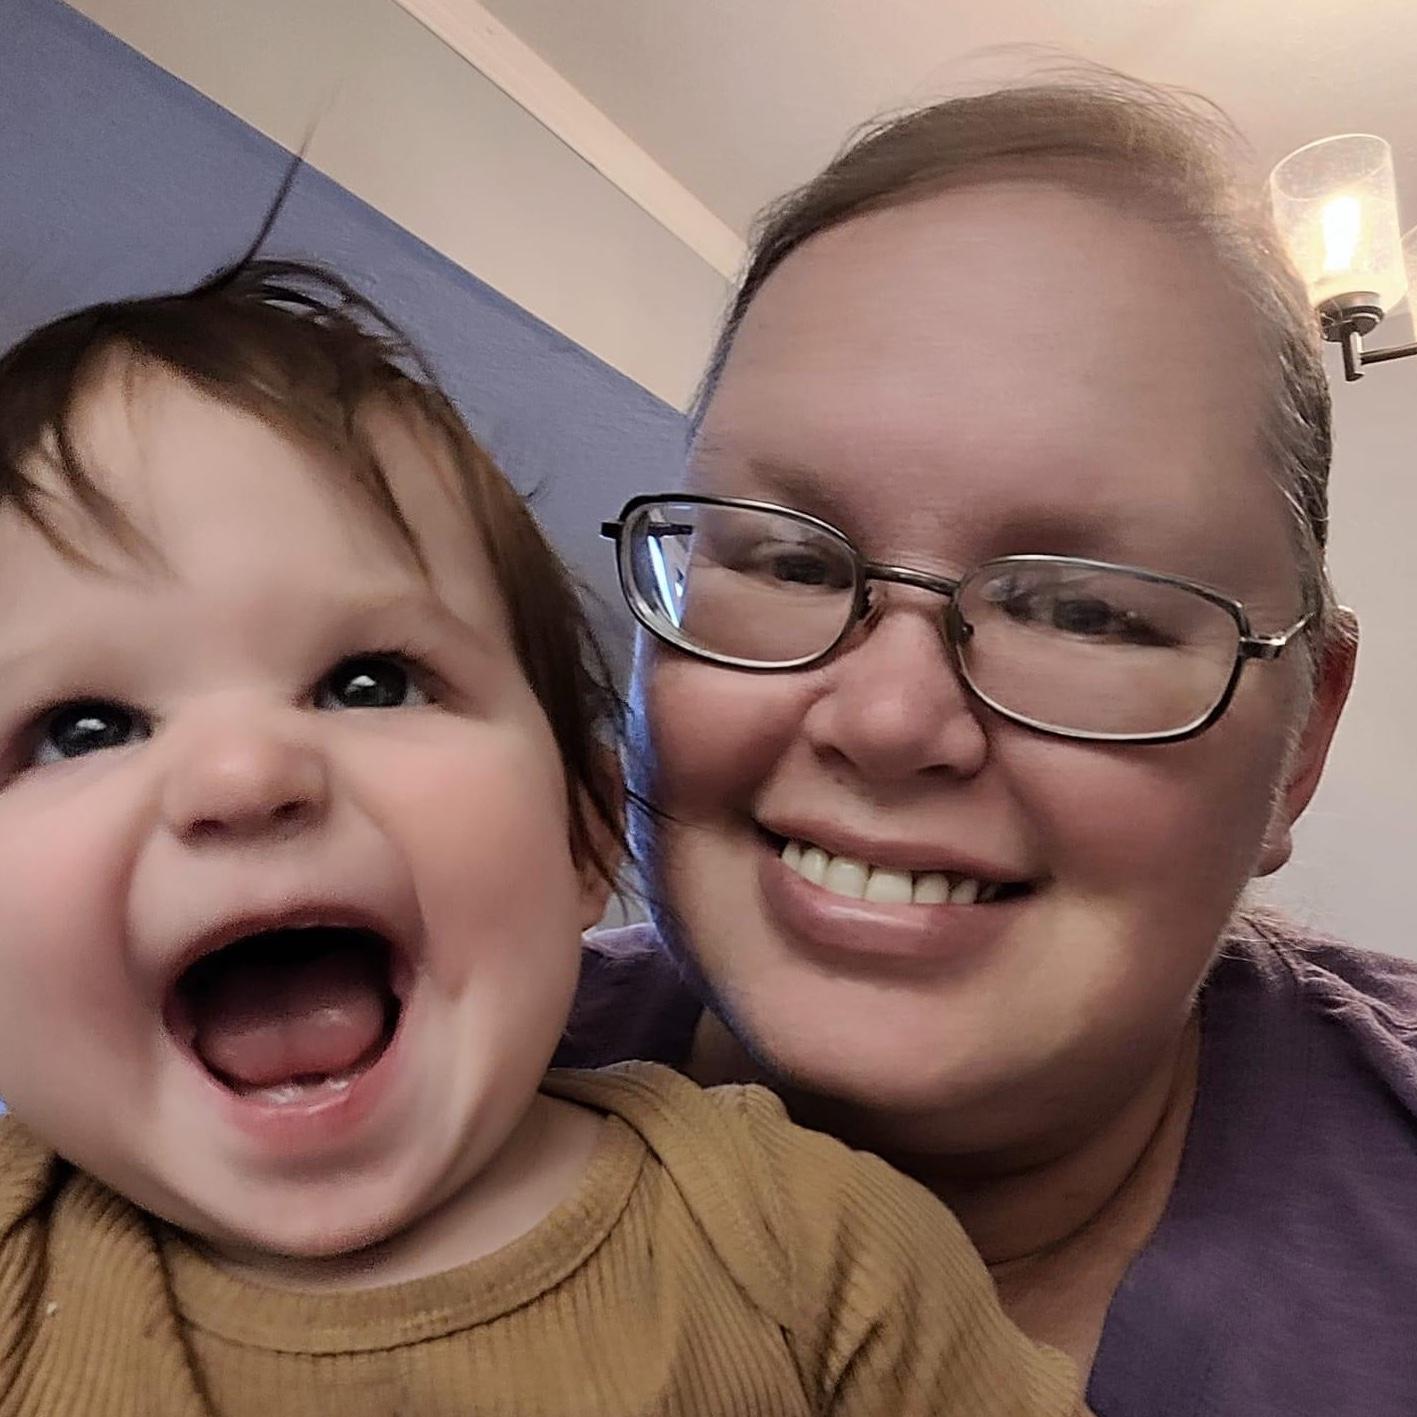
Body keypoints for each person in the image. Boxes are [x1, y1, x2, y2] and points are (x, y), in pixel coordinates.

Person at [0, 260, 1087, 1415]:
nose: (244, 775)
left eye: (368, 683)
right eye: (83, 729)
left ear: (584, 829)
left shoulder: (811, 1250)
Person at [568, 72, 1417, 1415]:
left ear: (1300, 740)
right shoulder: (343, 1088)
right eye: (787, 560)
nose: (886, 719)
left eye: (1084, 610)